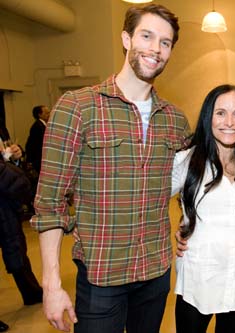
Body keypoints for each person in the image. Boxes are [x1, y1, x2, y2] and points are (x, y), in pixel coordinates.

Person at [30, 4, 190, 333]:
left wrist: (189, 222)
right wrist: (51, 285)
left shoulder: (175, 120)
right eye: (147, 36)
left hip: (156, 273)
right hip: (101, 277)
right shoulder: (77, 107)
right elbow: (50, 203)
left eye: (165, 42)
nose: (156, 49)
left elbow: (186, 181)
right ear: (126, 38)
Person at [172, 84, 235, 333]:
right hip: (199, 279)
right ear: (208, 117)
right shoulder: (188, 161)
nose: (230, 122)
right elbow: (149, 202)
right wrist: (172, 232)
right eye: (221, 112)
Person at [0, 127, 43, 306]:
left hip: (5, 205)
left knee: (15, 248)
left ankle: (31, 292)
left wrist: (13, 158)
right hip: (6, 193)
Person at [25, 105, 50, 174]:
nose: (49, 115)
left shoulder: (43, 125)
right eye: (47, 113)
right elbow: (32, 144)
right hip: (40, 159)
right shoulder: (37, 126)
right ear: (40, 115)